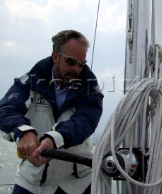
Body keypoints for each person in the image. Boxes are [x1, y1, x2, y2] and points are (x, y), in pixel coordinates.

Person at [0, 30, 104, 194]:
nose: (76, 68)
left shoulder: (91, 90)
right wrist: (23, 132)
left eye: (81, 64)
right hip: (33, 182)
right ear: (56, 57)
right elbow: (7, 109)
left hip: (77, 183)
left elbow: (85, 122)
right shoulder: (29, 83)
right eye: (71, 61)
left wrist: (52, 140)